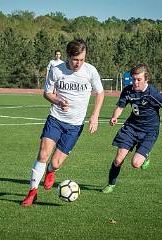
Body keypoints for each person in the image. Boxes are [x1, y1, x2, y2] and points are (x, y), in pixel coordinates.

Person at [21, 39, 104, 206]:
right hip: (56, 119)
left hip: (75, 126)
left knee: (55, 163)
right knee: (43, 154)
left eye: (82, 59)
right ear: (68, 56)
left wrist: (95, 116)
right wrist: (58, 101)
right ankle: (32, 192)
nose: (78, 63)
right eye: (75, 59)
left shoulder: (90, 71)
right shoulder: (56, 70)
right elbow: (47, 93)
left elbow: (100, 93)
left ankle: (51, 171)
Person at [102, 64, 162, 194]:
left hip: (149, 131)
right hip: (131, 127)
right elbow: (120, 107)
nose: (135, 82)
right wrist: (114, 117)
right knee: (118, 159)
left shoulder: (152, 93)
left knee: (136, 164)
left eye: (139, 79)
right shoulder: (127, 90)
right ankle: (110, 184)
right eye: (134, 79)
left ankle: (146, 155)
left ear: (146, 79)